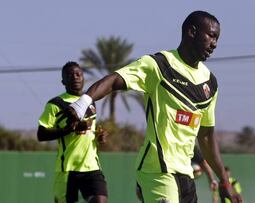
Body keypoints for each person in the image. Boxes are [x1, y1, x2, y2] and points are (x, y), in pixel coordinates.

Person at [59, 10, 241, 203]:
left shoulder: (210, 83)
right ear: (192, 32)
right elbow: (114, 80)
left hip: (185, 175)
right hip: (157, 171)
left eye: (217, 38)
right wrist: (83, 102)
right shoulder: (158, 65)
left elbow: (205, 137)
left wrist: (224, 182)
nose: (215, 44)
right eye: (211, 36)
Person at [37, 61, 108, 203]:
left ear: (83, 78)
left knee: (100, 200)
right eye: (70, 75)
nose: (75, 77)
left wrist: (99, 138)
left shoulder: (90, 102)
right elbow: (41, 134)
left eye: (78, 74)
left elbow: (88, 134)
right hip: (67, 168)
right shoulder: (55, 104)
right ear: (63, 81)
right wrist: (70, 129)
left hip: (91, 166)